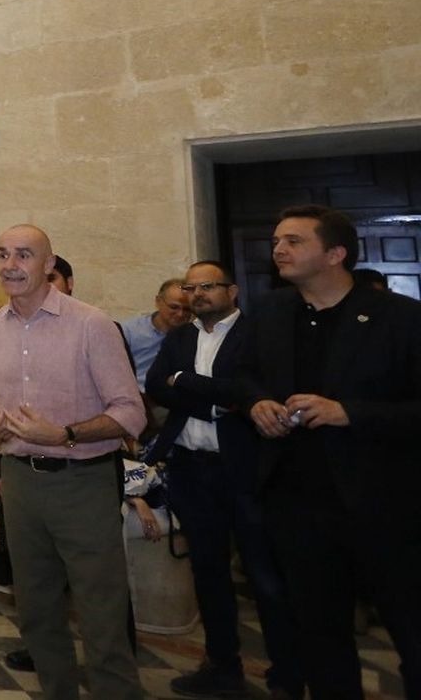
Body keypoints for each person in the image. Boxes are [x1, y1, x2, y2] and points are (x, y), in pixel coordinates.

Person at [240, 204, 421, 699]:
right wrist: (255, 402)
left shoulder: (401, 319)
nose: (278, 248)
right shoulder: (272, 312)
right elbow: (241, 375)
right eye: (277, 239)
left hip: (386, 508)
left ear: (336, 253)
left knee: (412, 633)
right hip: (298, 507)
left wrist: (350, 413)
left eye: (294, 240)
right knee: (321, 639)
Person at [0, 223, 145, 700]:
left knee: (102, 615)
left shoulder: (91, 324)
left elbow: (131, 413)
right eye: (3, 253)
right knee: (36, 610)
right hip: (19, 482)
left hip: (82, 481)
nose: (11, 264)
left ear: (49, 265)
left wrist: (64, 434)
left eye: (24, 255)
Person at [145, 260, 302, 699]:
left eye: (208, 286)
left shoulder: (257, 335)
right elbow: (158, 385)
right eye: (191, 288)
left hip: (244, 470)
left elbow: (249, 389)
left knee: (264, 576)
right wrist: (216, 401)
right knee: (208, 571)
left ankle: (287, 676)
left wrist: (190, 383)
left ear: (232, 291)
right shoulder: (179, 337)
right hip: (192, 469)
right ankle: (222, 666)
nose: (197, 295)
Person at [120, 277, 192, 389]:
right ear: (158, 301)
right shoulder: (130, 331)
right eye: (174, 307)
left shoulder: (194, 335)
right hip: (137, 394)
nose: (180, 314)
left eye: (187, 309)